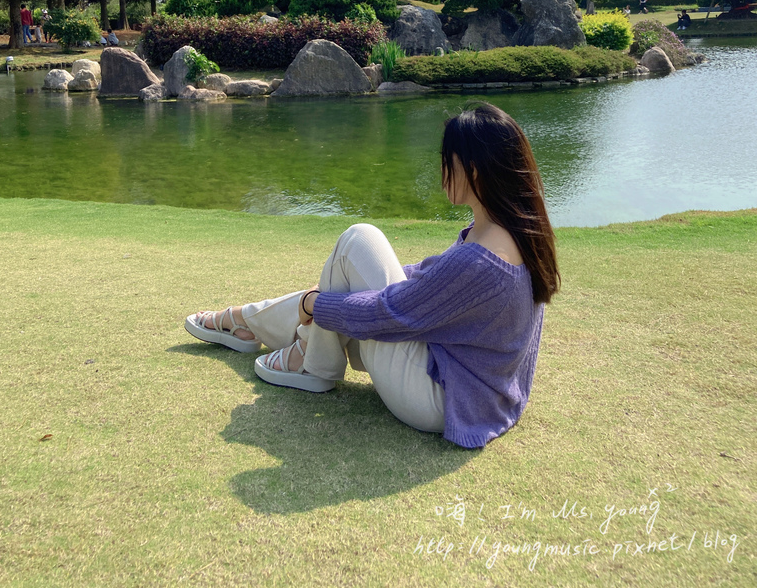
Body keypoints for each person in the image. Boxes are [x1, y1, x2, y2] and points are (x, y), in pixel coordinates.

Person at [185, 104, 561, 449]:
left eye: (447, 160)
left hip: (444, 400)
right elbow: (432, 279)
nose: (441, 170)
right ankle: (261, 331)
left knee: (356, 241)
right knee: (354, 254)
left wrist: (314, 303)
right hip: (474, 391)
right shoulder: (514, 231)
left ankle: (283, 345)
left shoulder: (484, 258)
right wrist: (330, 298)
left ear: (474, 170)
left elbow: (388, 315)